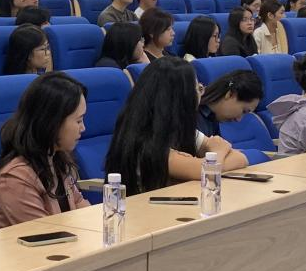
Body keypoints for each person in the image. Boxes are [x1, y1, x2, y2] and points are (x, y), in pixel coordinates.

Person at [105, 55, 247, 195]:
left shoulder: (180, 129)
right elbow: (206, 172)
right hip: (145, 208)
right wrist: (219, 151)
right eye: (197, 88)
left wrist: (210, 161)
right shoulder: (144, 141)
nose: (200, 94)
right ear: (180, 98)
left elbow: (240, 159)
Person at [0, 72, 89, 230]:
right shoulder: (14, 178)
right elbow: (46, 234)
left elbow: (80, 206)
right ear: (53, 122)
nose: (83, 128)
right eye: (78, 120)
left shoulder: (56, 157)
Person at [195, 70, 263, 137]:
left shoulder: (212, 118)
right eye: (244, 111)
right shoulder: (193, 120)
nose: (238, 119)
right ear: (230, 94)